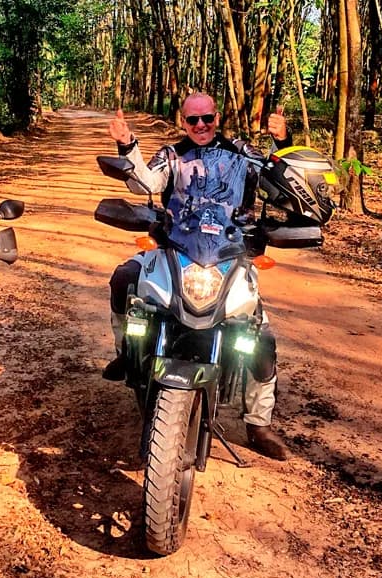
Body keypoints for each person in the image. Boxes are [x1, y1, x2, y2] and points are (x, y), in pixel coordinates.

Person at [104, 92, 292, 461]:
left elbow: (278, 178)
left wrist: (283, 141)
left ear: (216, 117)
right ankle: (126, 354)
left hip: (229, 254)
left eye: (207, 118)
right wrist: (126, 144)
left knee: (259, 334)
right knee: (124, 279)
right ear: (183, 121)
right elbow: (145, 184)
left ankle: (258, 424)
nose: (201, 126)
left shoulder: (242, 153)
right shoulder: (171, 155)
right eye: (193, 120)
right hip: (175, 248)